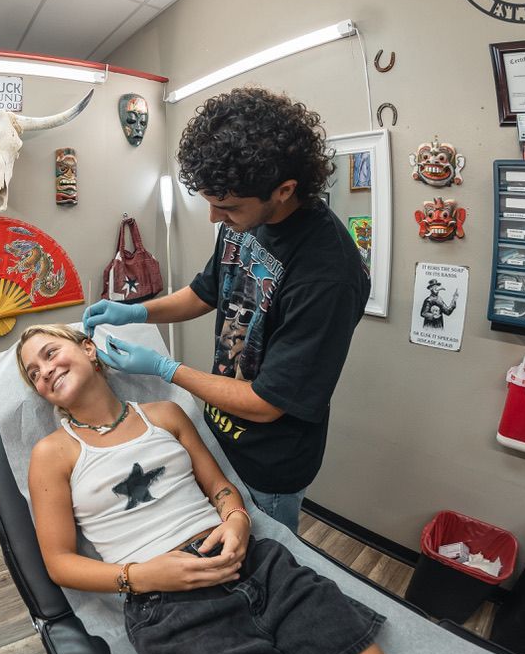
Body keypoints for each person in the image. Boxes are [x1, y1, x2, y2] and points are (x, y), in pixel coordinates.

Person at [17, 322, 525, 654]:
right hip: (172, 614)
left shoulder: (165, 416)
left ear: (88, 349)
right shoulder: (53, 455)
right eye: (33, 374)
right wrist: (142, 576)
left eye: (49, 353)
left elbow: (221, 486)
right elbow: (60, 563)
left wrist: (238, 520)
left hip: (258, 569)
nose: (45, 372)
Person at [84, 86, 370, 534]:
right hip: (218, 436)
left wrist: (164, 367)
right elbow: (206, 291)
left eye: (227, 207)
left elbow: (267, 403)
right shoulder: (245, 219)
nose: (215, 218)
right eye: (212, 203)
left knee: (263, 566)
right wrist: (137, 312)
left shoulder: (327, 273)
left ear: (285, 189)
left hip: (269, 464)